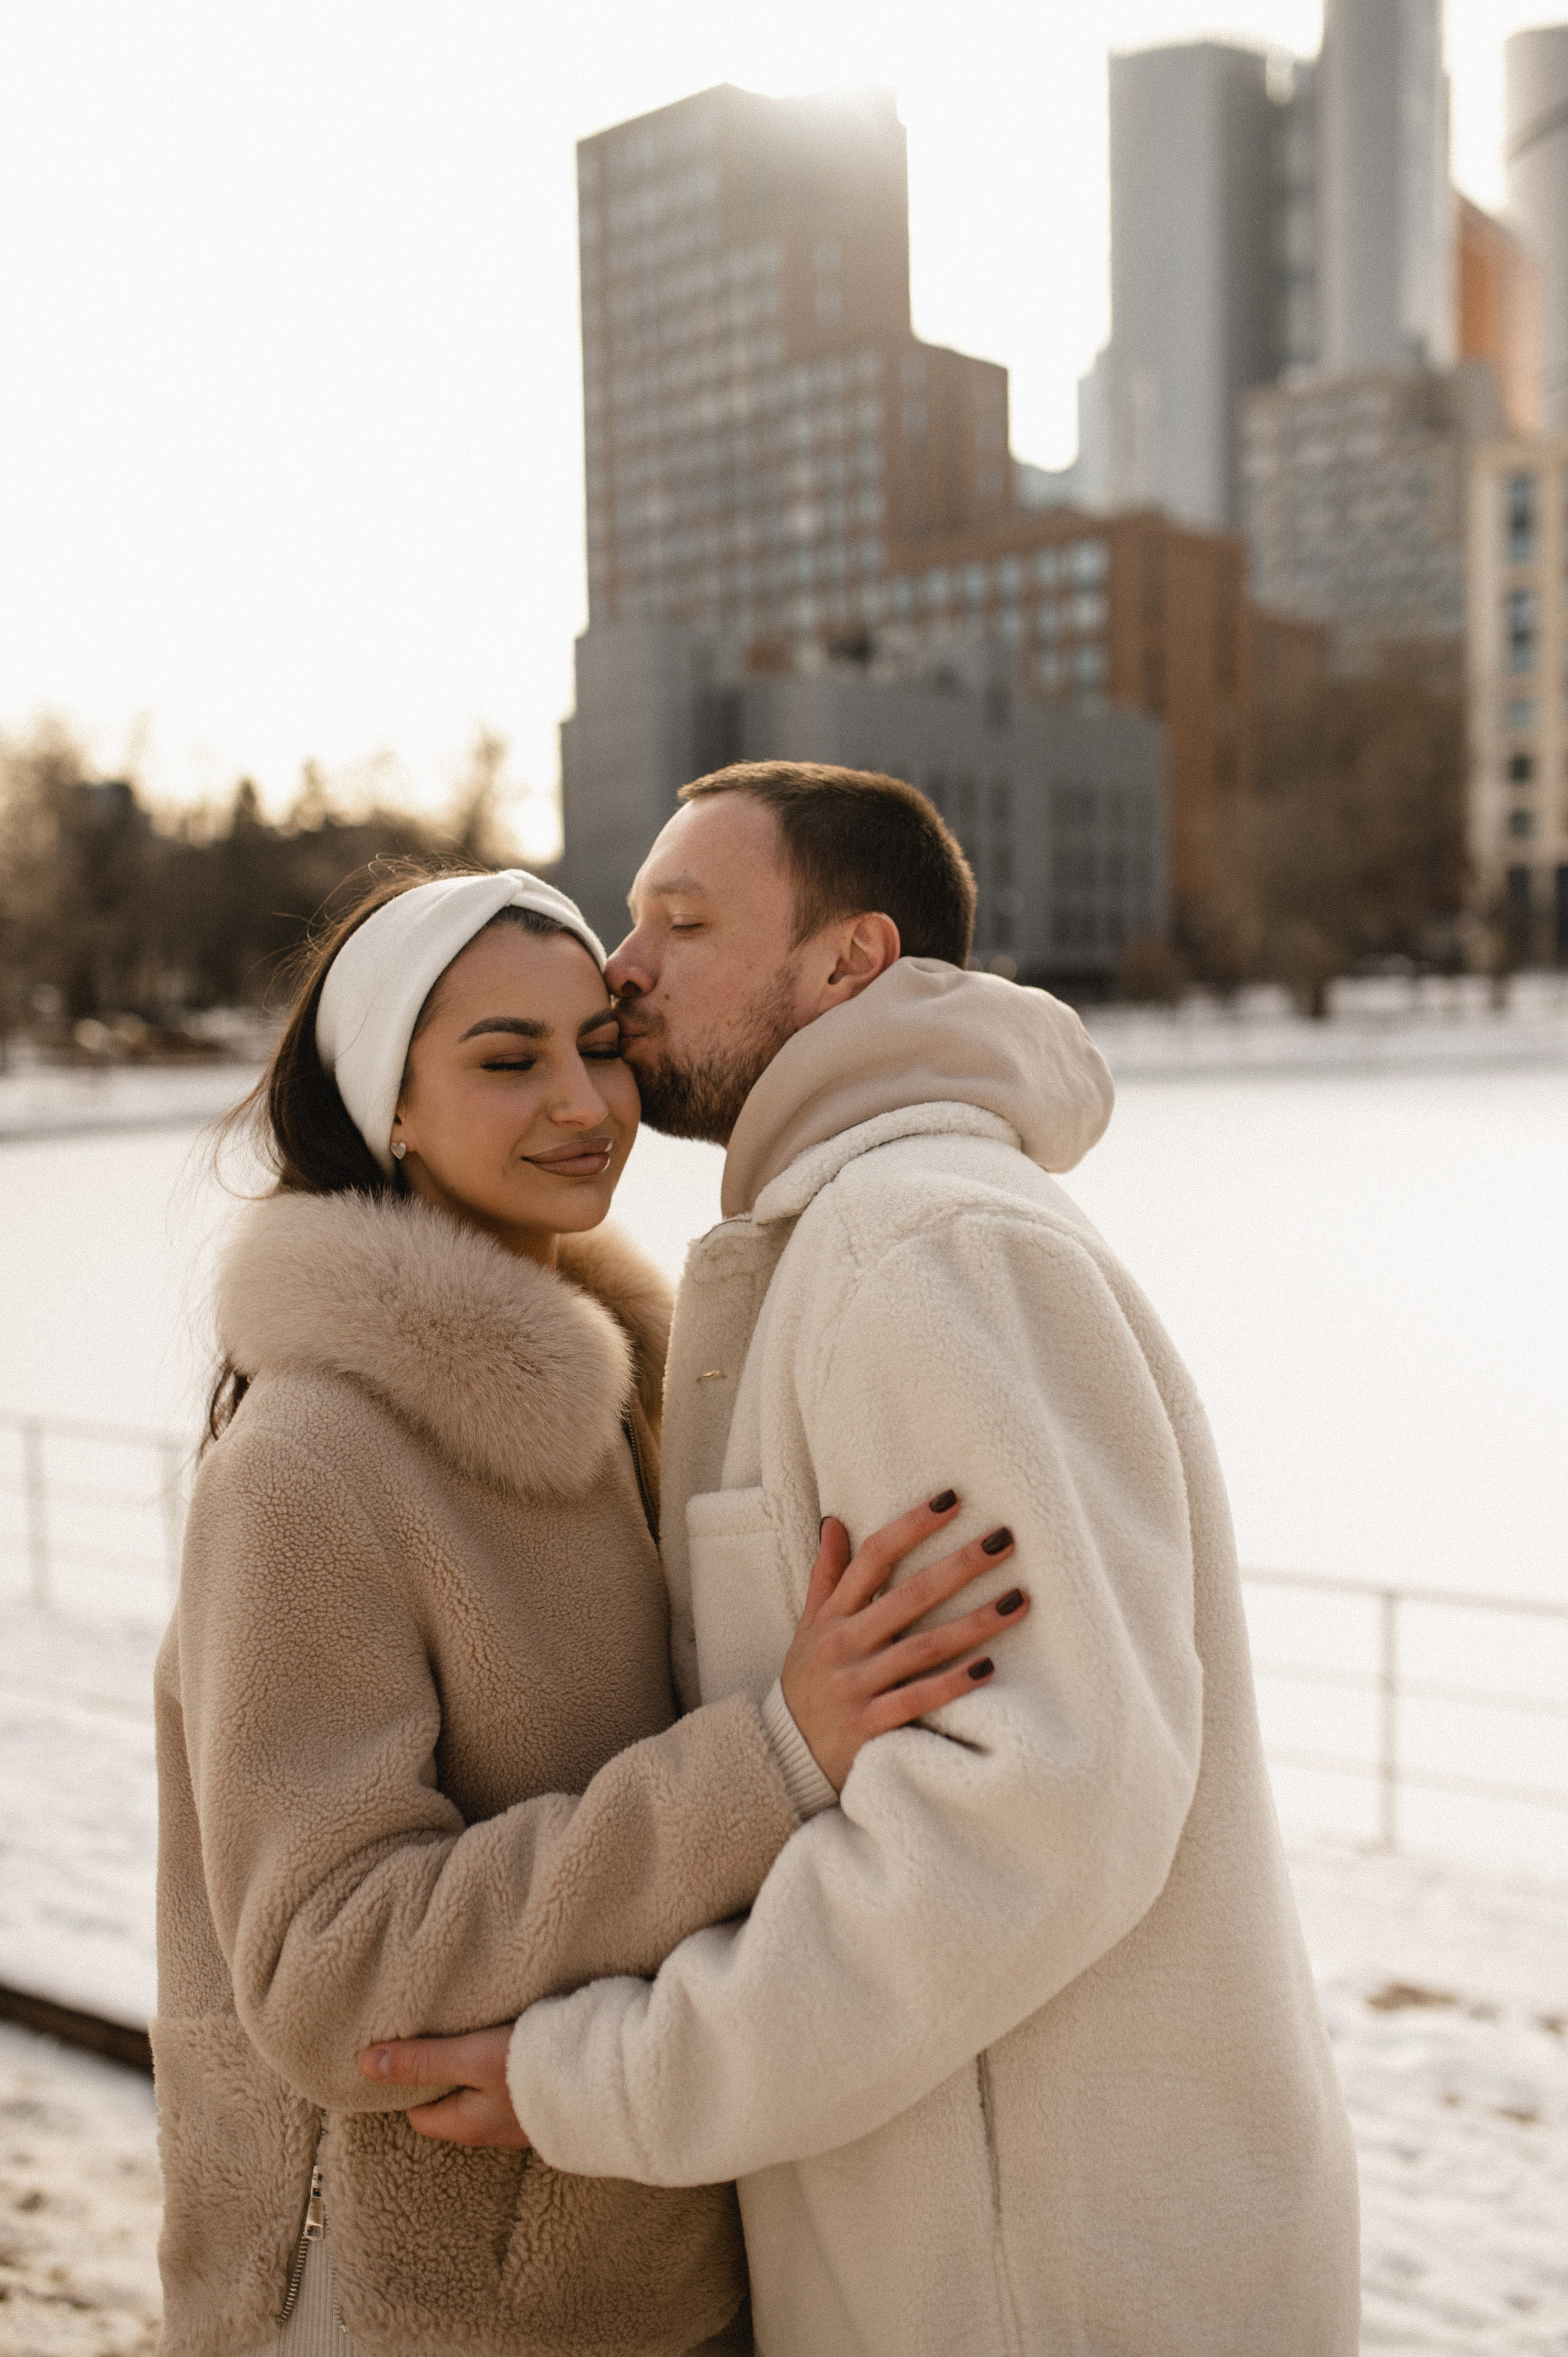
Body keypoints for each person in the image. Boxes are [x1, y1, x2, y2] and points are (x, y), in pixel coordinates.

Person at [369, 768, 1362, 2357]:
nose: (623, 964)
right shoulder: (842, 1243)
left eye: (682, 922)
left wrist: (610, 2074)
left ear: (848, 964)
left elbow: (1030, 1810)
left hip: (1048, 2294)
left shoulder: (922, 1253)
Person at [152, 860, 1035, 2357]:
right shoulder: (309, 1462)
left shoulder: (644, 1395)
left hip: (659, 2273)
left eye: (600, 1045)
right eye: (507, 1061)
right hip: (403, 2315)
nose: (584, 1102)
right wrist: (772, 1758)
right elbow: (329, 1971)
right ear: (391, 1108)